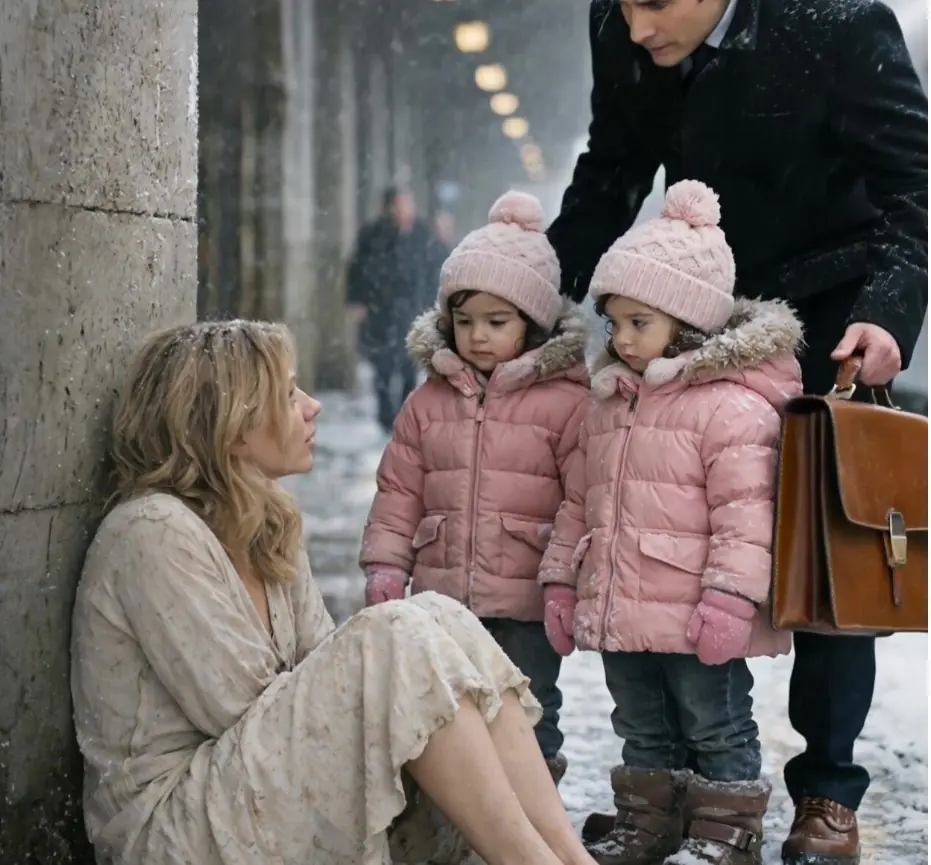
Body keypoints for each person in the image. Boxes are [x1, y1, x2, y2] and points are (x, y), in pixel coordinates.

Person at [547, 1, 928, 861]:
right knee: (679, 548)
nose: (635, 27)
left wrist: (885, 316)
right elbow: (611, 167)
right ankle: (691, 788)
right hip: (698, 315)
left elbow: (915, 186)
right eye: (623, 5)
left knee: (826, 563)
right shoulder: (622, 23)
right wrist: (534, 294)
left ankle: (826, 795)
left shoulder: (836, 22)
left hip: (834, 313)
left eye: (653, 4)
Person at [69, 319, 603, 865]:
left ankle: (568, 857)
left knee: (440, 615)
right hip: (178, 827)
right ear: (230, 425)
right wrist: (391, 695)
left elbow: (318, 684)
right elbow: (244, 708)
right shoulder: (152, 531)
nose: (311, 406)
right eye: (286, 392)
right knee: (397, 634)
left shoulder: (266, 522)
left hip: (261, 792)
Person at [540, 181, 803, 865]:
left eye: (638, 322)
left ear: (686, 322)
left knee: (713, 719)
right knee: (639, 722)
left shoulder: (729, 409)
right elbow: (578, 501)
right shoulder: (606, 405)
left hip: (694, 608)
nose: (621, 339)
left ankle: (724, 830)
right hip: (620, 602)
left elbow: (746, 516)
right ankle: (648, 822)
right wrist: (561, 582)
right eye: (614, 322)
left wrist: (728, 597)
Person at [359, 190, 590, 784]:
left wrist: (565, 578)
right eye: (464, 322)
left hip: (526, 596)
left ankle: (530, 815)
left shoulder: (567, 402)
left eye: (496, 322)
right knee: (451, 708)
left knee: (529, 710)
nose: (478, 337)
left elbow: (581, 499)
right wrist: (386, 565)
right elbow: (399, 490)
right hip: (443, 593)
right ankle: (464, 816)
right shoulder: (429, 401)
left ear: (533, 324)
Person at [347, 186, 445, 434]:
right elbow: (357, 268)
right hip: (381, 309)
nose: (406, 210)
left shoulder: (422, 234)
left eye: (409, 204)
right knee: (382, 365)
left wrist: (436, 301)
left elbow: (435, 267)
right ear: (390, 208)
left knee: (409, 363)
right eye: (401, 205)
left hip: (413, 309)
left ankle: (405, 412)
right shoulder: (373, 235)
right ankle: (385, 416)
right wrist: (357, 300)